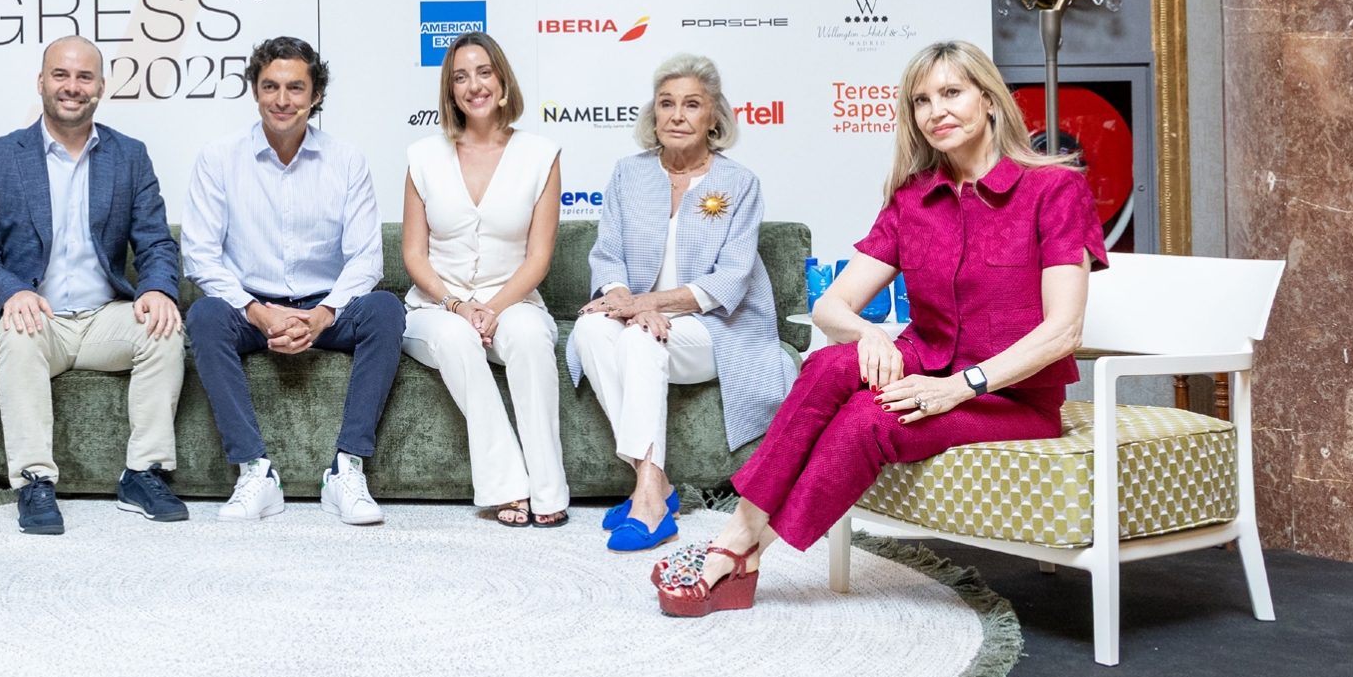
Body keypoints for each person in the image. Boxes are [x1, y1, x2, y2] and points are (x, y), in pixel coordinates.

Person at [653, 39, 1106, 615]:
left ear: (990, 100)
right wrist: (870, 334)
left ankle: (742, 551)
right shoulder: (914, 198)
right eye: (922, 100)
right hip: (926, 360)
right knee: (827, 364)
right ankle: (739, 534)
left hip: (1011, 396)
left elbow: (1064, 330)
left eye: (952, 92)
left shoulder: (1054, 189)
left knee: (868, 418)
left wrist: (959, 387)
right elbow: (832, 306)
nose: (936, 111)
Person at [0, 36, 187, 535]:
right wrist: (10, 292)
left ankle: (143, 474)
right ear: (41, 82)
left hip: (105, 318)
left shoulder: (129, 156)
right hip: (39, 318)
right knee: (17, 330)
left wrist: (158, 289)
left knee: (164, 328)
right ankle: (35, 482)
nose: (72, 87)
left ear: (101, 86)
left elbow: (156, 243)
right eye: (61, 75)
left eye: (84, 77)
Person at [567, 53, 790, 553]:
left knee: (638, 337)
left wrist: (645, 306)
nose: (677, 115)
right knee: (588, 330)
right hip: (641, 318)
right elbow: (607, 256)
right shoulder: (628, 174)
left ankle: (649, 505)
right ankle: (655, 485)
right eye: (666, 103)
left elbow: (730, 280)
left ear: (714, 116)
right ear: (654, 114)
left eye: (692, 104)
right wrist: (625, 302)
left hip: (718, 328)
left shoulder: (739, 183)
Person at [183, 37, 404, 526]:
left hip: (326, 306)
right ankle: (255, 472)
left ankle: (346, 469)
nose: (282, 100)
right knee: (204, 315)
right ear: (255, 91)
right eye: (270, 87)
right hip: (249, 308)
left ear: (316, 94)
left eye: (295, 88)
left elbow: (367, 259)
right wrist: (258, 312)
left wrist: (321, 316)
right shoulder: (219, 158)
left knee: (387, 309)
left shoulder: (346, 160)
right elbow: (199, 254)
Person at [398, 33, 568, 527]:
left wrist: (491, 309)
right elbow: (413, 254)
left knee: (530, 336)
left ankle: (549, 489)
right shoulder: (422, 156)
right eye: (460, 77)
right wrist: (457, 306)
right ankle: (507, 487)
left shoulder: (541, 154)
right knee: (457, 338)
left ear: (502, 80)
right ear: (450, 91)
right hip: (436, 308)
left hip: (513, 302)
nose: (474, 85)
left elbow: (538, 257)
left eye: (484, 72)